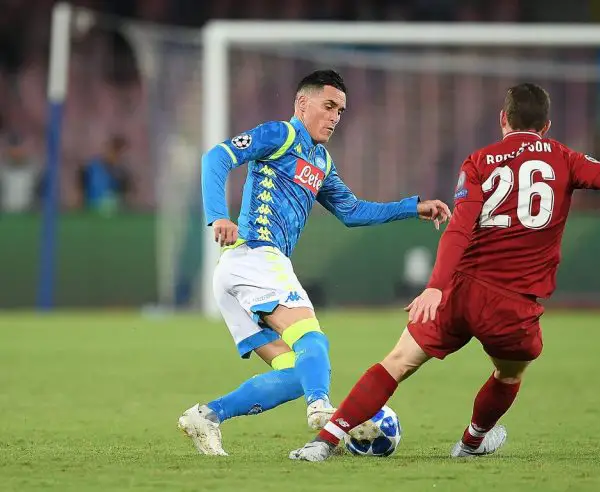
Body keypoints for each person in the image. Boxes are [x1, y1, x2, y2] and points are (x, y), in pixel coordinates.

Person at [288, 82, 600, 461]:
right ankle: (471, 442)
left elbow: (459, 227)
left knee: (397, 362)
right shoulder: (565, 158)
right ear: (546, 125)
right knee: (508, 374)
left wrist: (436, 287)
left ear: (503, 119)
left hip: (460, 290)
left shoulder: (479, 161)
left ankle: (323, 442)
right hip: (514, 303)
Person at [179, 69, 451, 456]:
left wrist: (412, 208)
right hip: (257, 254)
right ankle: (321, 408)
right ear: (302, 104)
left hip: (238, 271)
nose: (335, 117)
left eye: (340, 111)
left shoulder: (321, 162)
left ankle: (206, 416)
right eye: (328, 106)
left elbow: (353, 211)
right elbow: (216, 158)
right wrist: (218, 215)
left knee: (294, 375)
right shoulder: (281, 134)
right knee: (313, 339)